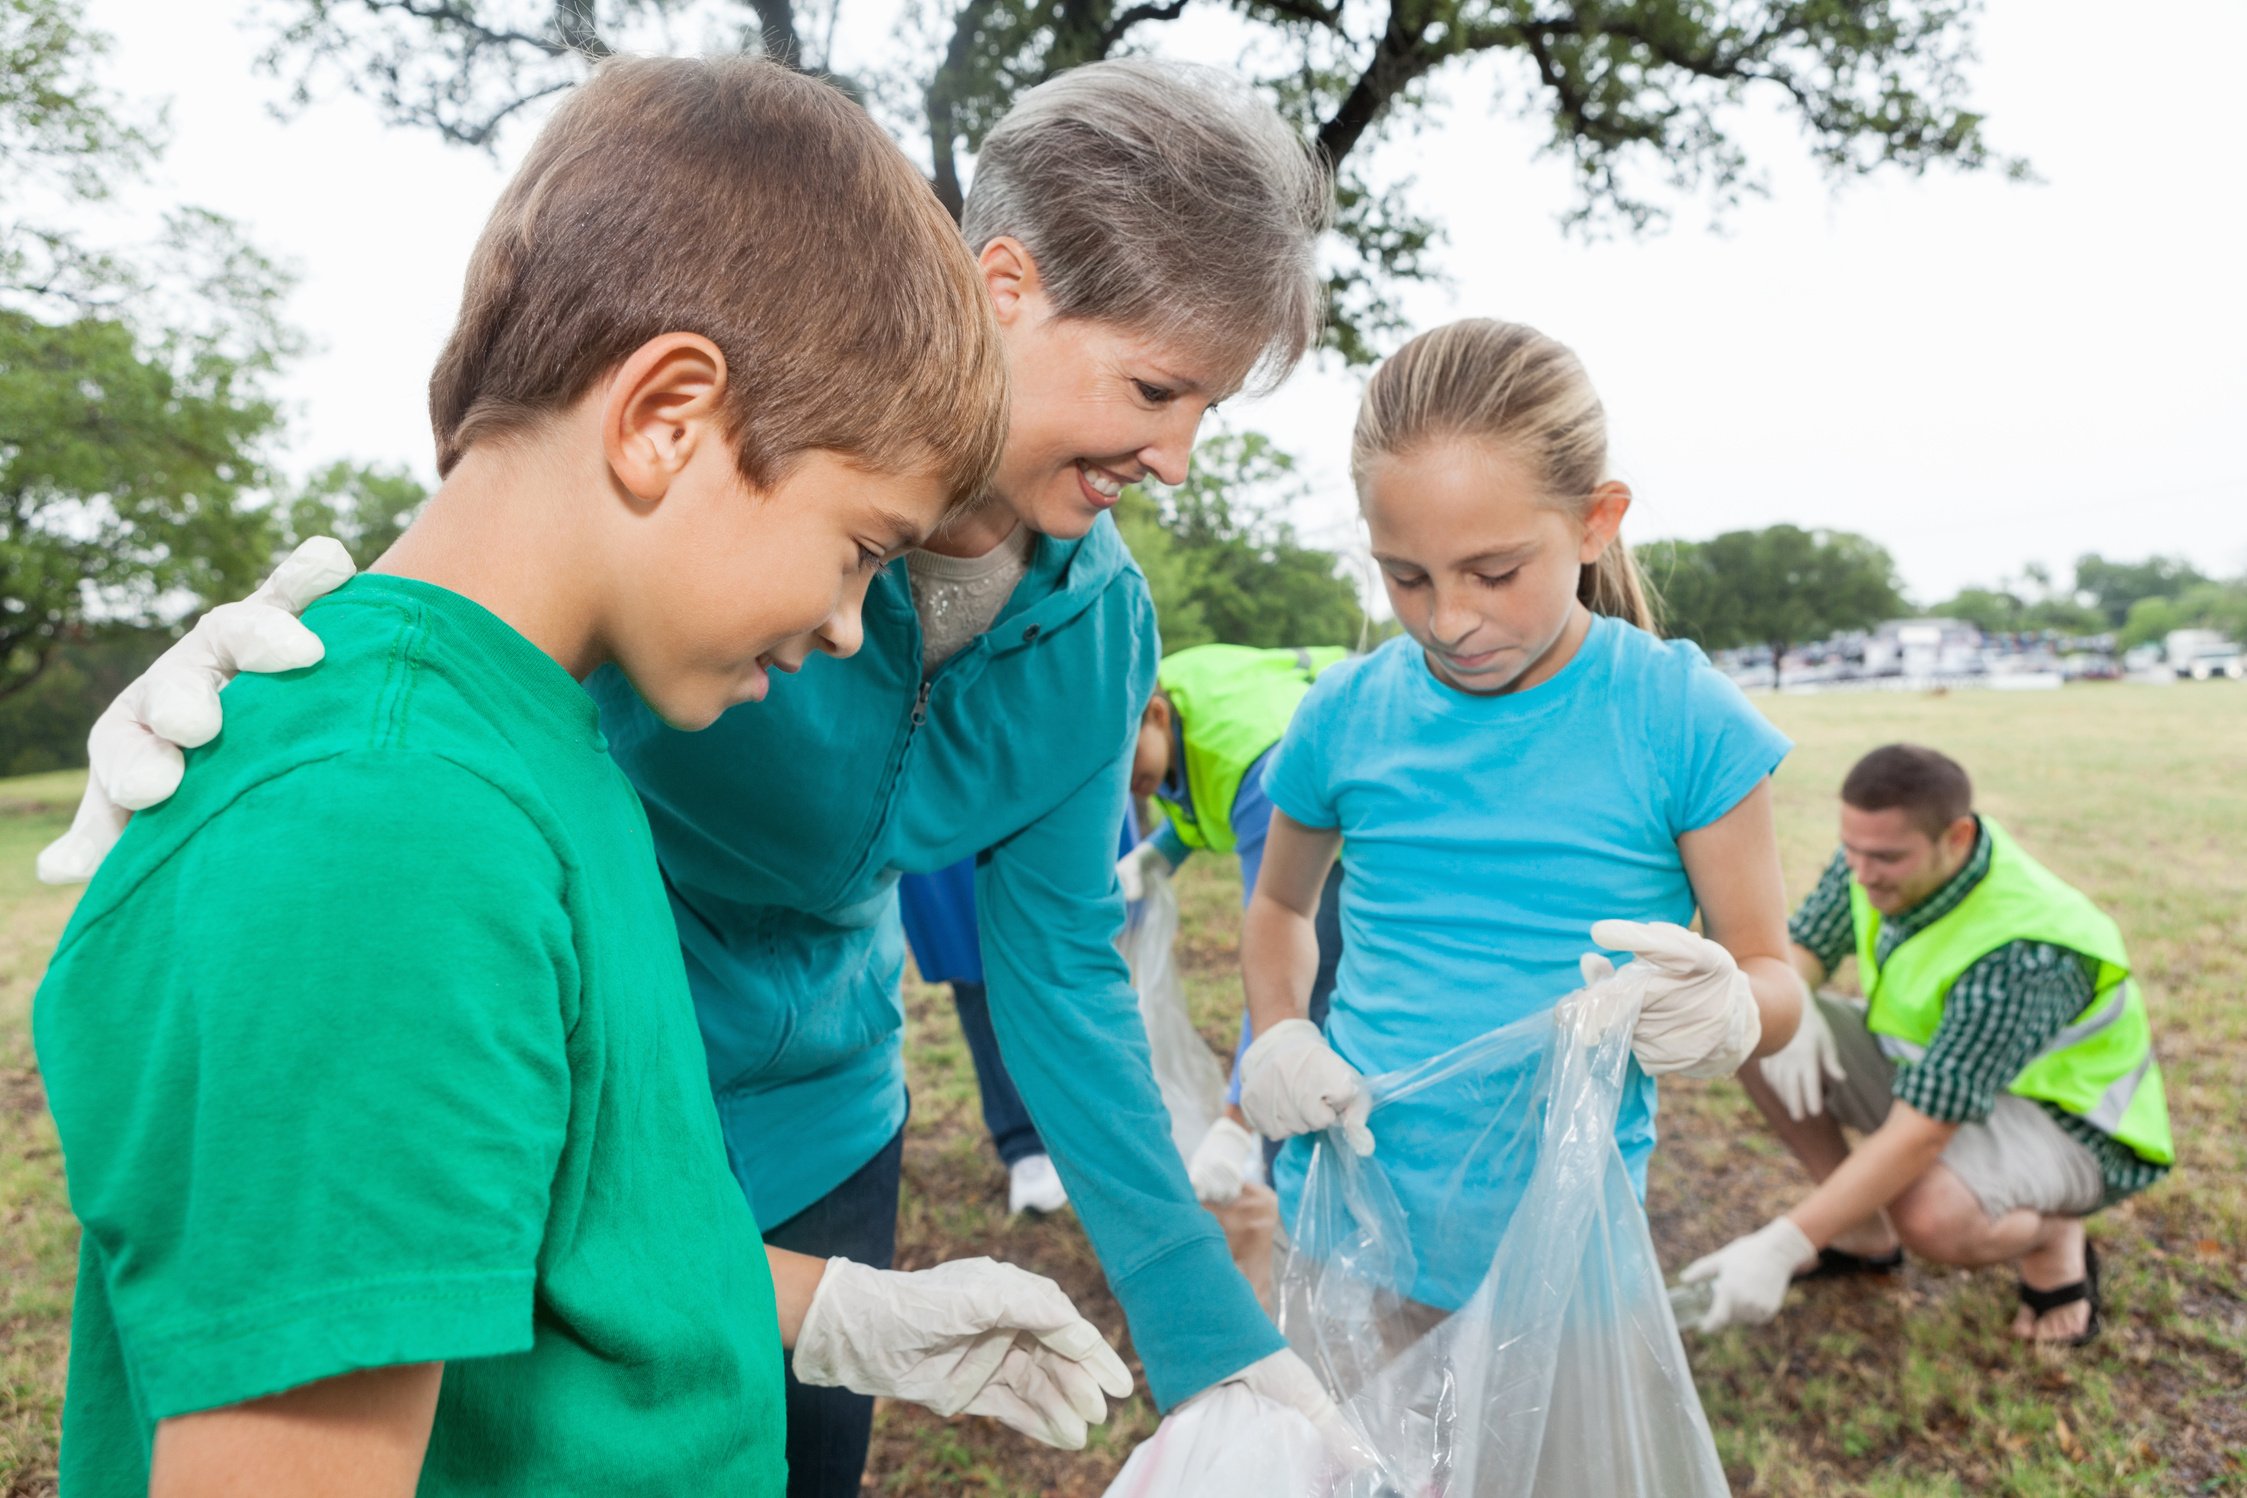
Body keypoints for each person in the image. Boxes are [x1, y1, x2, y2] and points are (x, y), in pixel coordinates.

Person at [41, 57, 1349, 1496]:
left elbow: (1049, 975)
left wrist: (1187, 1337)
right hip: (541, 1082)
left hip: (700, 1160)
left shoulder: (1069, 627)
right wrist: (303, 740)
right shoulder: (418, 822)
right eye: (1156, 384)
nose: (1174, 455)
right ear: (1004, 286)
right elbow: (442, 684)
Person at [1236, 318, 1806, 1314]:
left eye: (1494, 572)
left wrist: (1733, 1011)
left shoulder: (1680, 718)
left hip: (1566, 1258)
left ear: (1596, 522)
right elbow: (1282, 907)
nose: (1447, 619)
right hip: (1348, 1225)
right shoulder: (1345, 711)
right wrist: (1279, 1033)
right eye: (1404, 576)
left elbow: (1774, 977)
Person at [1687, 744, 2174, 1344]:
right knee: (1754, 1022)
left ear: (1958, 838)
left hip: (2074, 1124)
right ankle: (1860, 1232)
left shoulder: (2026, 950)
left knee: (1930, 1215)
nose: (1861, 874)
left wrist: (1785, 1243)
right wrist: (1793, 1001)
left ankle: (2054, 1236)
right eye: (1851, 850)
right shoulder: (1870, 861)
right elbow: (1806, 945)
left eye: (1886, 858)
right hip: (1948, 1072)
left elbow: (1925, 1128)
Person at [1115, 643, 1352, 1201]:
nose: (1121, 788)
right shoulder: (1153, 693)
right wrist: (1158, 855)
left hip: (1357, 842)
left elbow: (1275, 962)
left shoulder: (1251, 757)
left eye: (1121, 767)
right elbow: (1197, 797)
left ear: (1155, 716)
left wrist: (1234, 1119)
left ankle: (1290, 1189)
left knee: (1310, 1002)